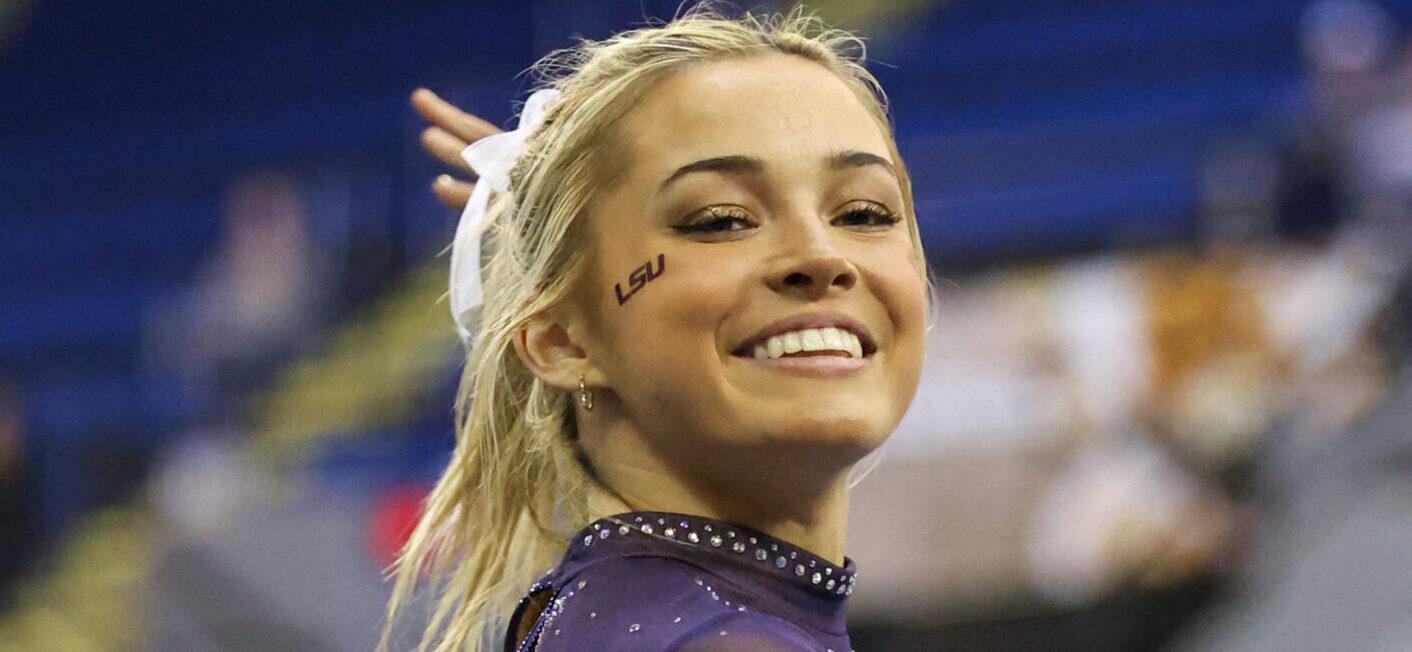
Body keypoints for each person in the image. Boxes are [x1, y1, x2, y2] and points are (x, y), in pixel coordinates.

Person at [384, 7, 934, 651]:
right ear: (560, 341)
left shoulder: (606, 613)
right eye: (721, 220)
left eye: (864, 212)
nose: (822, 257)